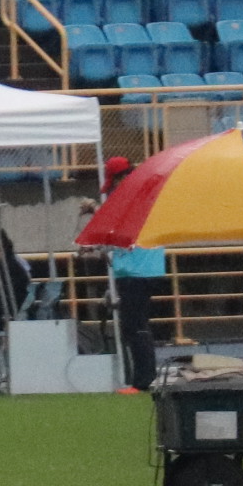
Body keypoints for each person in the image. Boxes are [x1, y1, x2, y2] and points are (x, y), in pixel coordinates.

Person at [101, 157, 167, 391]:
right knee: (135, 325)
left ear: (121, 178)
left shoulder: (135, 201)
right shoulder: (144, 196)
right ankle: (142, 378)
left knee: (135, 326)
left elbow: (122, 234)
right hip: (140, 269)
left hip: (137, 271)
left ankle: (143, 380)